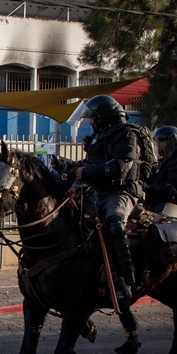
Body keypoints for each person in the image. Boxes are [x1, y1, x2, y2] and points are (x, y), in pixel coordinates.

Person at [70, 94, 142, 304]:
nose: (90, 122)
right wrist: (76, 185)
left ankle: (125, 278)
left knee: (114, 223)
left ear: (105, 117)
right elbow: (86, 166)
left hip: (120, 192)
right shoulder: (98, 138)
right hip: (96, 191)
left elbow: (120, 168)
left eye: (93, 118)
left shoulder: (127, 134)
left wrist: (87, 173)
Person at [144, 125, 177, 219]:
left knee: (159, 219)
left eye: (162, 142)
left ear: (173, 142)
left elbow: (174, 192)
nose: (159, 146)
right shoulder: (161, 164)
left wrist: (149, 187)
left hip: (172, 205)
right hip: (154, 204)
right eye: (157, 142)